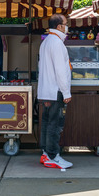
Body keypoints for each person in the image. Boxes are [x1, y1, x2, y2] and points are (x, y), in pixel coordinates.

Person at [37, 13, 73, 169]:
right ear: (59, 26)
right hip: (55, 90)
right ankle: (53, 156)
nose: (67, 27)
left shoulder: (46, 42)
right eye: (66, 24)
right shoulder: (57, 43)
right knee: (55, 125)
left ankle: (46, 153)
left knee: (46, 123)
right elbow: (61, 71)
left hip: (46, 90)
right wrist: (66, 93)